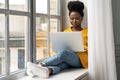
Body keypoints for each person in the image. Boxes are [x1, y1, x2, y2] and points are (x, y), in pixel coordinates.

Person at [26, 1, 88, 78]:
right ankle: (47, 71)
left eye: (77, 18)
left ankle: (40, 65)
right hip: (68, 59)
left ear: (82, 18)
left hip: (81, 60)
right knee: (62, 65)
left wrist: (82, 47)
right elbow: (61, 47)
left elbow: (92, 50)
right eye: (72, 19)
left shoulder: (87, 32)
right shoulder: (66, 31)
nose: (74, 21)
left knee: (64, 53)